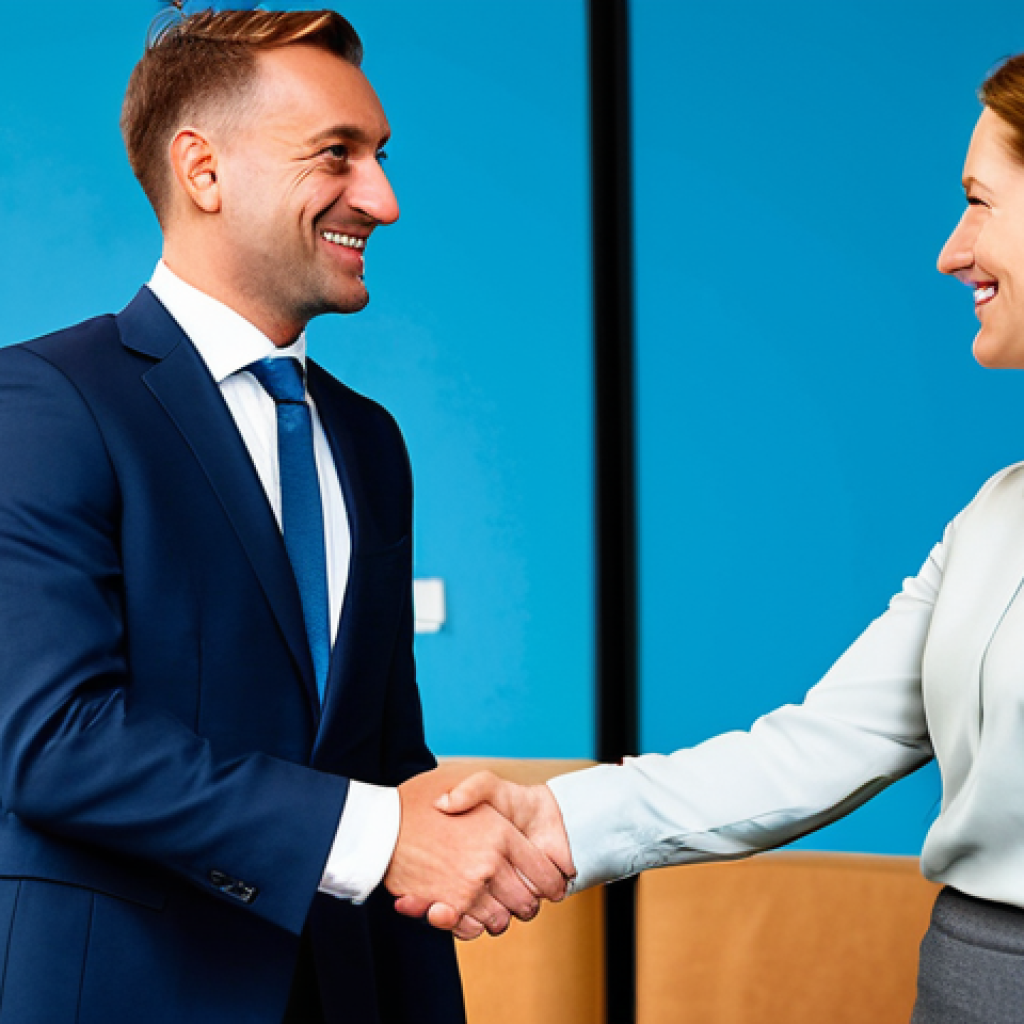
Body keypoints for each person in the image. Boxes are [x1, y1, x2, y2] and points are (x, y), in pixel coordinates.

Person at [412, 52, 1024, 1022]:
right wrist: (557, 817)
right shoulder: (995, 514)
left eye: (979, 201)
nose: (951, 250)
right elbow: (819, 745)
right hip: (971, 971)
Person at [0, 8, 569, 1024]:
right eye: (337, 155)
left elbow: (383, 757)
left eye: (381, 156)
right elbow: (57, 742)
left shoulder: (369, 440)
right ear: (203, 171)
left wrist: (470, 843)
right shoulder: (45, 404)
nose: (383, 200)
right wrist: (375, 833)